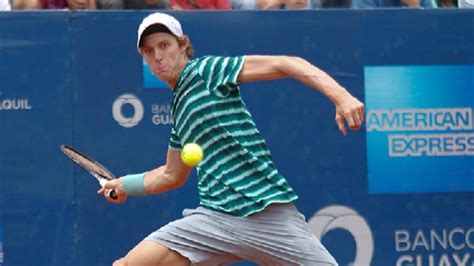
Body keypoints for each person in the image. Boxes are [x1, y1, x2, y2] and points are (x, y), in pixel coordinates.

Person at [99, 12, 364, 266]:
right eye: (149, 51)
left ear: (183, 45)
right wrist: (124, 185)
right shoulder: (179, 109)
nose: (157, 56)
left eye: (164, 45)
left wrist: (341, 96)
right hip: (215, 221)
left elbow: (286, 63)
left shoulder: (206, 70)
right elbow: (171, 175)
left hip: (267, 213)